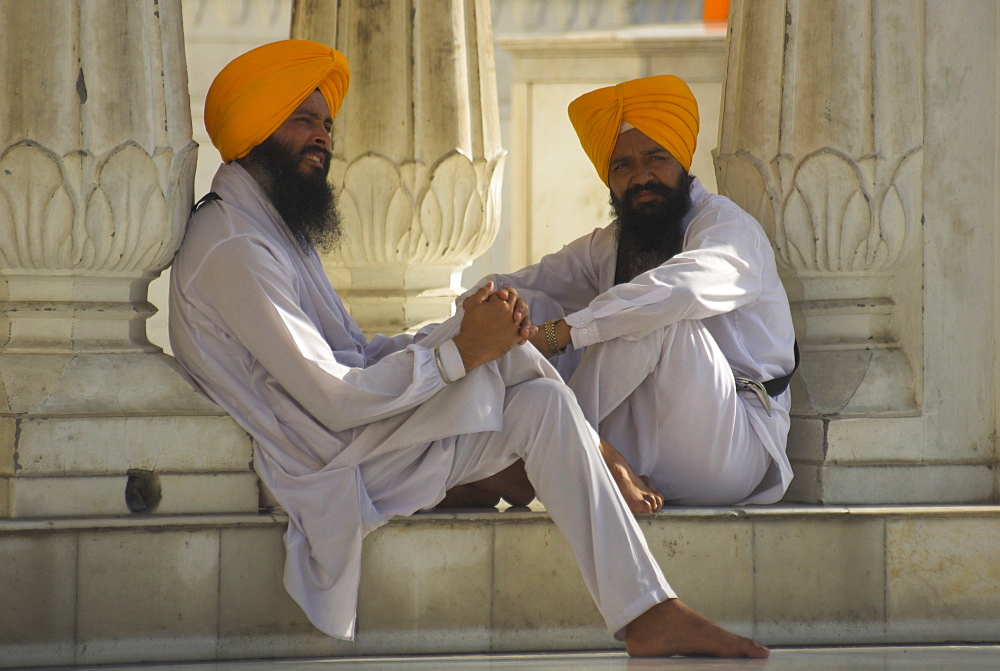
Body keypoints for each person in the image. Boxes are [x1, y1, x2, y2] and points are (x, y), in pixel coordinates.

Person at [169, 40, 769, 658]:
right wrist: (459, 349)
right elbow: (336, 398)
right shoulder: (235, 246)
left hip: (348, 438)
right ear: (257, 126)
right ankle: (586, 463)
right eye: (305, 119)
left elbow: (353, 350)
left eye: (326, 123)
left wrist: (467, 334)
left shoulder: (268, 229)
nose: (323, 136)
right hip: (321, 457)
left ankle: (646, 610)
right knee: (519, 371)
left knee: (535, 398)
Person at [468, 75, 797, 513]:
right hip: (638, 444)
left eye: (656, 158)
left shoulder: (728, 229)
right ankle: (553, 451)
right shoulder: (607, 245)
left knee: (653, 315)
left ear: (682, 161)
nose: (641, 176)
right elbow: (502, 284)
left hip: (729, 447)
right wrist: (483, 313)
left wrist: (559, 334)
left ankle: (545, 455)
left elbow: (677, 291)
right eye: (622, 165)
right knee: (525, 306)